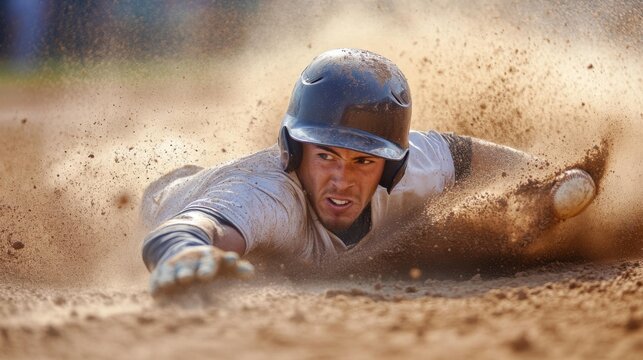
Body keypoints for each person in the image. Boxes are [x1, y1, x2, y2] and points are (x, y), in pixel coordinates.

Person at [140, 48, 597, 295]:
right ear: (294, 151)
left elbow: (466, 155)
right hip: (168, 195)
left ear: (391, 167)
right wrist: (181, 254)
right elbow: (191, 227)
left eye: (363, 161)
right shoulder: (267, 197)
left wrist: (547, 178)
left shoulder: (410, 166)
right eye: (326, 156)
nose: (342, 179)